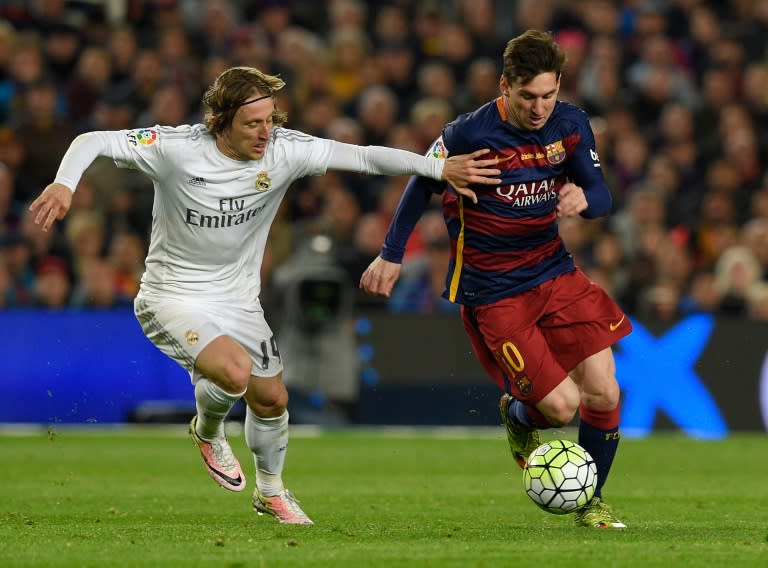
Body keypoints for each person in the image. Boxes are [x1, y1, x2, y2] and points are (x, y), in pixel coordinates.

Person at [29, 66, 501, 525]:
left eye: (271, 120)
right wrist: (65, 184)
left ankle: (271, 491)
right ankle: (208, 430)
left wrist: (437, 167)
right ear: (220, 123)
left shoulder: (284, 151)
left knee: (273, 398)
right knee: (233, 373)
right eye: (253, 124)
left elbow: (364, 156)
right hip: (171, 296)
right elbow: (91, 139)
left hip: (238, 302)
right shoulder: (175, 148)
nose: (265, 133)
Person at [360, 30, 632, 529]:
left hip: (554, 271)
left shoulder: (570, 126)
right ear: (504, 86)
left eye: (548, 95)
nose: (538, 108)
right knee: (559, 408)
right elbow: (423, 177)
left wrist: (584, 202)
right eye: (527, 96)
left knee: (605, 392)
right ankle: (519, 416)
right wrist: (391, 255)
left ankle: (591, 502)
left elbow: (601, 193)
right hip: (493, 291)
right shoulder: (468, 133)